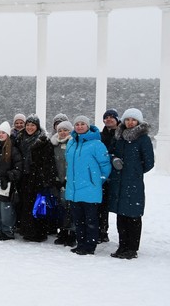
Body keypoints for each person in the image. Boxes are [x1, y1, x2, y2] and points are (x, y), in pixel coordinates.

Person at [107, 108, 154, 259]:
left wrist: (135, 171)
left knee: (133, 216)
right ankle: (122, 246)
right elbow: (111, 153)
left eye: (133, 120)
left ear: (138, 122)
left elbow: (149, 162)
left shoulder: (143, 139)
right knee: (121, 216)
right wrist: (114, 159)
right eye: (127, 119)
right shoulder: (119, 137)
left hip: (133, 183)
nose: (130, 122)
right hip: (119, 183)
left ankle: (132, 248)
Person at [65, 115, 111, 255]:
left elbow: (105, 165)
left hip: (90, 188)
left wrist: (97, 180)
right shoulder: (71, 143)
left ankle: (90, 246)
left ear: (88, 126)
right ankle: (81, 243)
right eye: (77, 124)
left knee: (90, 220)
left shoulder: (97, 144)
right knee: (78, 220)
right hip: (74, 188)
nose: (79, 126)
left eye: (82, 124)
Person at [50, 121, 76, 246]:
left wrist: (67, 178)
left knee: (70, 207)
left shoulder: (73, 144)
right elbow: (52, 163)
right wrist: (55, 178)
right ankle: (63, 231)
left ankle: (73, 232)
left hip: (70, 181)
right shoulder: (54, 145)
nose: (62, 133)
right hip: (58, 180)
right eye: (60, 130)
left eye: (65, 130)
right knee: (61, 207)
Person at [97, 108, 120, 243]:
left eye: (112, 117)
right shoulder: (101, 136)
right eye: (106, 117)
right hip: (103, 175)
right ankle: (102, 231)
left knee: (119, 206)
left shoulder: (122, 135)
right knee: (102, 204)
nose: (109, 119)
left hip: (118, 173)